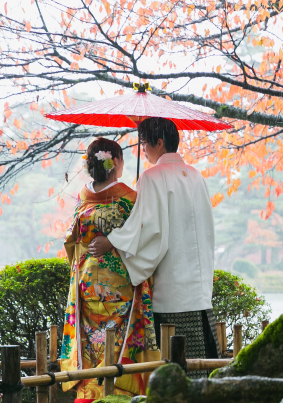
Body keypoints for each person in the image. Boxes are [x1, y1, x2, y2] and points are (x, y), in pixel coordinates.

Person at [88, 118, 219, 368]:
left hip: (172, 284)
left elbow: (147, 229)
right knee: (204, 360)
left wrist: (112, 241)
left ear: (159, 143)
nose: (143, 149)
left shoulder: (151, 177)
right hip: (200, 286)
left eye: (145, 143)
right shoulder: (195, 175)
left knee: (175, 360)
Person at [60, 138, 158, 403]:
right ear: (114, 162)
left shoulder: (83, 198)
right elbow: (143, 235)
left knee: (91, 336)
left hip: (87, 281)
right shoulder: (129, 197)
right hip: (119, 282)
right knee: (118, 335)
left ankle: (89, 393)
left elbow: (72, 239)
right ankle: (120, 393)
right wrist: (113, 241)